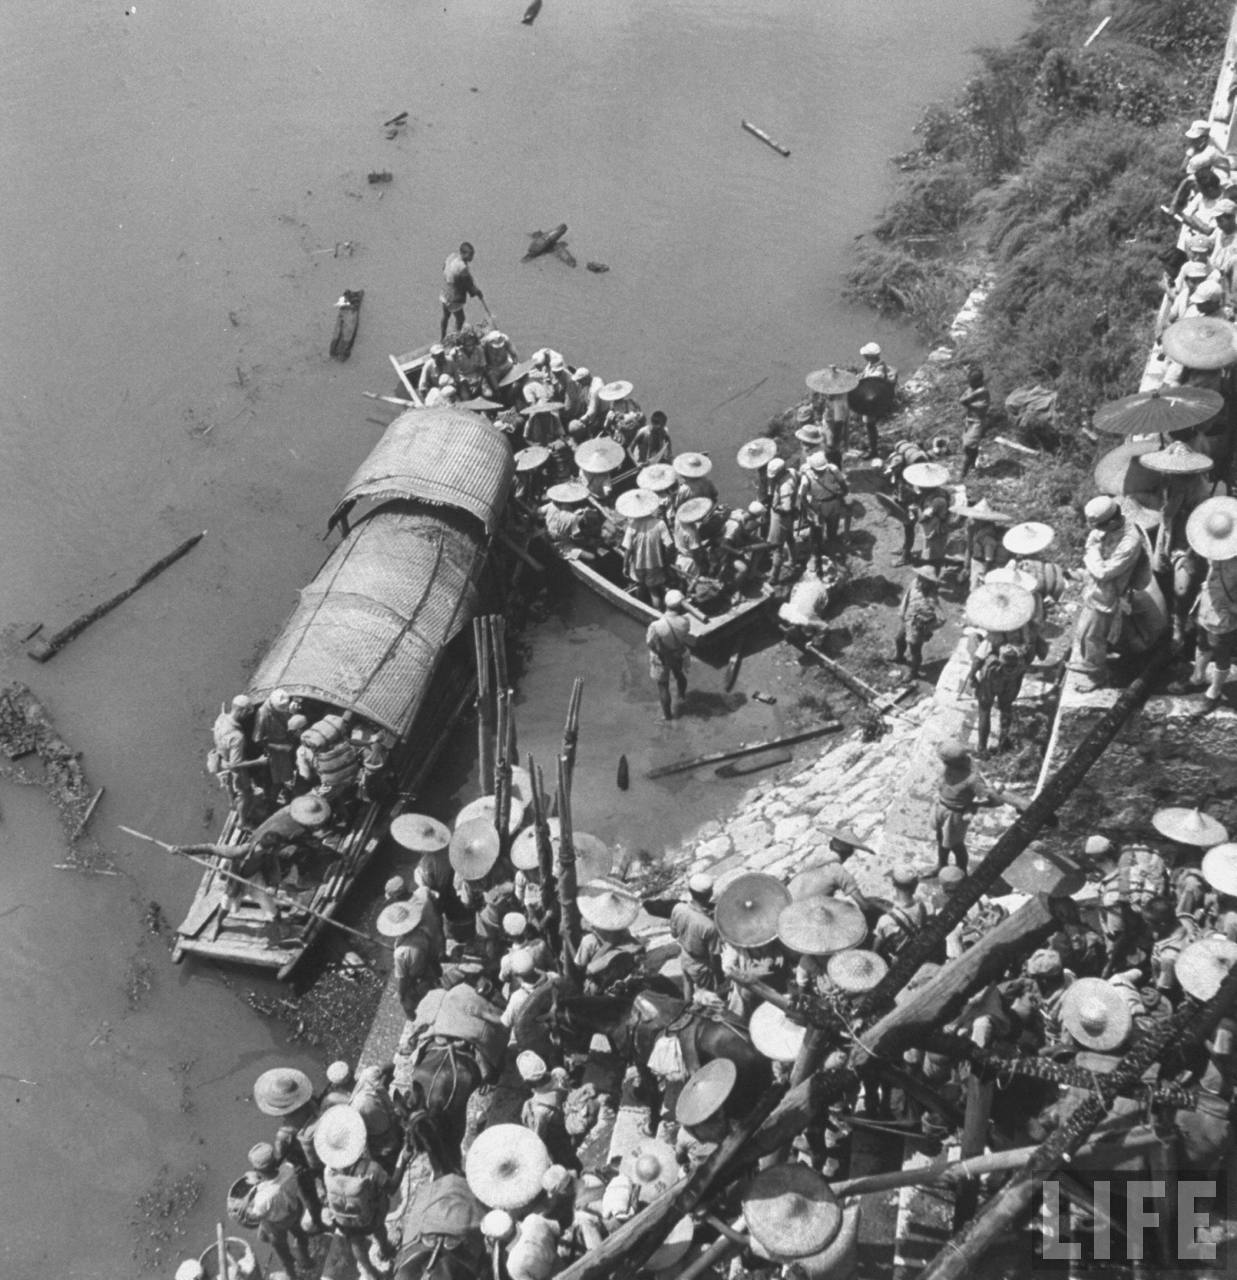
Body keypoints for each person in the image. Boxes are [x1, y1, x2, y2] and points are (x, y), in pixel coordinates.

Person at [1070, 495, 1154, 693]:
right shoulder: (1106, 527)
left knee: (1094, 636)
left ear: (1113, 521)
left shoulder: (1130, 541)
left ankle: (1096, 675)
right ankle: (1090, 663)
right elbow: (1091, 541)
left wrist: (1092, 555)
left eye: (1101, 527)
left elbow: (1104, 572)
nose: (1096, 530)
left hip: (1108, 595)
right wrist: (1095, 555)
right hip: (1094, 589)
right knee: (1084, 632)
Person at [316, 1105, 394, 1280]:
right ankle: (385, 1249)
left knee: (356, 1242)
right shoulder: (371, 1168)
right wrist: (402, 1163)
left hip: (345, 1221)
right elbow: (392, 1187)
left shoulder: (328, 1171)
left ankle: (371, 1272)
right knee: (379, 1227)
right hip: (371, 1218)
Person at [929, 740, 1029, 874]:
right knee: (941, 838)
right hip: (940, 806)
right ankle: (941, 864)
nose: (943, 763)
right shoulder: (948, 768)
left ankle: (961, 872)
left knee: (956, 846)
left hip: (955, 815)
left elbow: (997, 800)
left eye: (944, 761)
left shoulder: (972, 779)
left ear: (952, 762)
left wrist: (975, 805)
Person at [1184, 496, 1237, 710]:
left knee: (1221, 652)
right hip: (1207, 604)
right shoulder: (1212, 548)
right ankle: (1197, 677)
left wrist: (1233, 609)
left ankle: (1214, 691)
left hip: (1224, 613)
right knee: (1202, 642)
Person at [643, 874, 720, 1000]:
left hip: (685, 956)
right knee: (706, 993)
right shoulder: (709, 926)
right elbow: (714, 955)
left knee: (687, 984)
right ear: (710, 893)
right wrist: (719, 976)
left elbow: (674, 934)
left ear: (690, 891)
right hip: (701, 964)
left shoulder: (678, 908)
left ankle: (686, 1004)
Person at [245, 1142, 313, 1277]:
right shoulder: (289, 1168)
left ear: (256, 1169)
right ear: (275, 1160)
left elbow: (254, 1216)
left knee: (282, 1252)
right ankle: (306, 1259)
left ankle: (292, 1275)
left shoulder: (262, 1198)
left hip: (277, 1224)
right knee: (300, 1234)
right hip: (294, 1211)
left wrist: (248, 1205)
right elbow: (277, 1178)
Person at [210, 694, 262, 830]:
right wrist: (259, 761)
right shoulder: (237, 737)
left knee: (230, 788)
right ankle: (242, 822)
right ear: (241, 711)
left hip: (221, 760)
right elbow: (235, 765)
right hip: (233, 769)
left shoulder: (221, 718)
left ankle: (232, 803)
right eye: (247, 712)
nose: (248, 715)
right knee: (246, 795)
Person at [797, 450, 850, 570]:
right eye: (818, 470)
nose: (820, 471)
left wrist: (840, 495)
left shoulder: (833, 470)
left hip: (832, 503)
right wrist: (810, 511)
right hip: (817, 506)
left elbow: (844, 486)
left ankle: (831, 552)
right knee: (816, 532)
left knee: (832, 529)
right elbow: (801, 496)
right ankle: (816, 554)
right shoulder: (807, 477)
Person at [973, 643, 1027, 755]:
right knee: (1006, 709)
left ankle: (982, 748)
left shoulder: (992, 664)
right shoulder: (1021, 662)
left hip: (993, 680)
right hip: (1011, 683)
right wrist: (1012, 695)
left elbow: (982, 670)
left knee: (984, 710)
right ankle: (1003, 743)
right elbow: (1020, 679)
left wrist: (972, 678)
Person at [645, 590, 692, 721]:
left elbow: (649, 643)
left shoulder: (656, 625)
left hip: (661, 659)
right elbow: (685, 634)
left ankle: (667, 716)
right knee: (679, 675)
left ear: (666, 604)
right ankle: (682, 697)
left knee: (663, 686)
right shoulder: (685, 621)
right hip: (678, 654)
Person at [894, 565, 944, 680]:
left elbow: (942, 618)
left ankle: (913, 672)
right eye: (920, 577)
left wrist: (928, 628)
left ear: (929, 582)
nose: (919, 580)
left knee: (915, 651)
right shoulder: (914, 584)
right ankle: (899, 657)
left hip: (918, 627)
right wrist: (902, 613)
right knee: (899, 639)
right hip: (908, 619)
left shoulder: (932, 598)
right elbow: (906, 597)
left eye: (923, 579)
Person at [254, 689, 300, 804]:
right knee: (279, 778)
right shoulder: (263, 714)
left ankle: (286, 792)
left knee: (292, 770)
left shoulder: (284, 701)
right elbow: (257, 739)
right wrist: (279, 747)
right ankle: (273, 801)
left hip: (287, 741)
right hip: (276, 750)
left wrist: (292, 711)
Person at [873, 865, 929, 960]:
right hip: (916, 949)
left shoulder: (886, 921)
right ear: (915, 885)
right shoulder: (922, 905)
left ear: (893, 883)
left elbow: (875, 950)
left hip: (900, 958)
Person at [855, 342, 897, 459]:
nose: (864, 357)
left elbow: (871, 386)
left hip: (872, 402)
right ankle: (872, 444)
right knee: (869, 424)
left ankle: (873, 450)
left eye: (866, 355)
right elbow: (865, 376)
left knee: (870, 425)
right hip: (869, 398)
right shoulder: (872, 364)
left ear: (870, 356)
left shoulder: (878, 372)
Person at [440, 241, 484, 340]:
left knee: (446, 316)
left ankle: (442, 337)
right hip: (454, 296)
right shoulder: (462, 268)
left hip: (445, 292)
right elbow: (469, 285)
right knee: (460, 319)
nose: (472, 257)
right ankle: (456, 338)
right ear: (463, 253)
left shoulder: (451, 257)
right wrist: (477, 292)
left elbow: (443, 268)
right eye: (470, 255)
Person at [766, 457, 799, 583]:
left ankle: (774, 576)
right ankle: (792, 561)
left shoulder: (785, 486)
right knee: (789, 538)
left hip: (781, 518)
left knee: (777, 547)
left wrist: (775, 506)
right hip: (788, 518)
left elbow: (786, 507)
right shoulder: (792, 472)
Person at [959, 366, 990, 478]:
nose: (970, 384)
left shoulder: (983, 392)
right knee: (970, 447)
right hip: (969, 421)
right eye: (970, 382)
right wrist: (971, 396)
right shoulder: (972, 389)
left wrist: (971, 398)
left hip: (977, 422)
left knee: (969, 447)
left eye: (972, 382)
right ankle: (972, 467)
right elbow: (962, 400)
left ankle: (963, 473)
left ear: (979, 381)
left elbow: (980, 407)